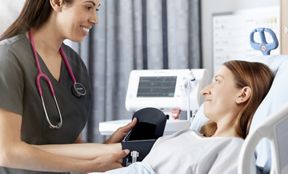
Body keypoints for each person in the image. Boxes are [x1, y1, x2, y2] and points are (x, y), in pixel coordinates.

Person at [0, 0, 137, 173]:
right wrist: (92, 165)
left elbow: (71, 145)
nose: (95, 19)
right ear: (57, 2)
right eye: (88, 7)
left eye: (97, 9)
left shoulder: (75, 65)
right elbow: (8, 153)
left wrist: (107, 147)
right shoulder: (7, 57)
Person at [100, 60, 274, 174]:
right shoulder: (191, 134)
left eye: (218, 81)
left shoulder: (233, 149)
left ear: (243, 95)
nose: (205, 90)